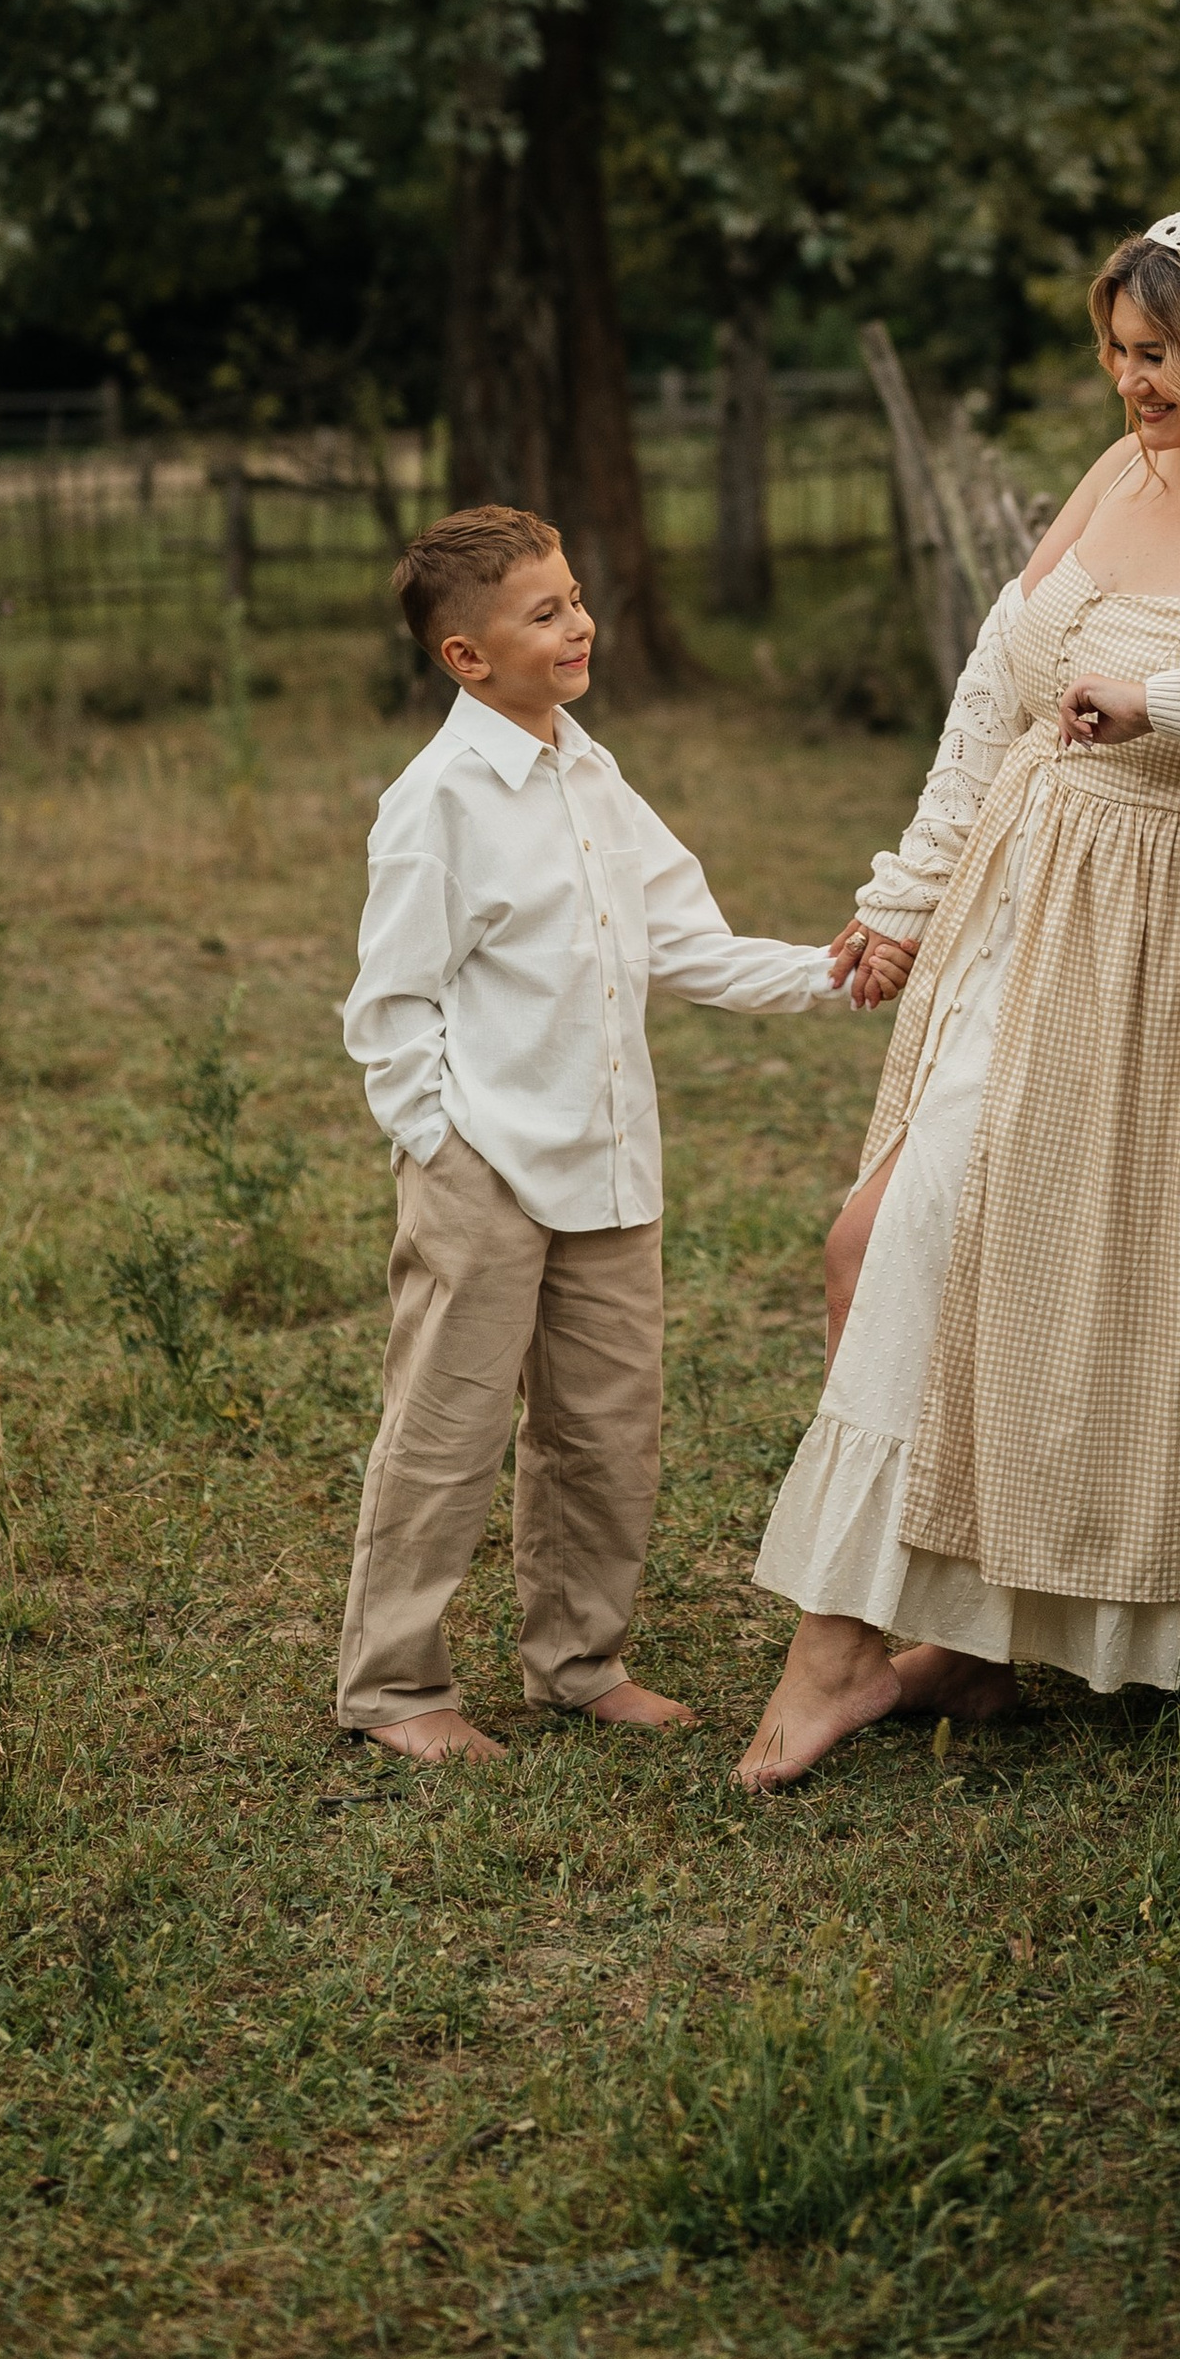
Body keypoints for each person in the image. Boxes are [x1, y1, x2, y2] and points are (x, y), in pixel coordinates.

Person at [738, 208, 1180, 1789]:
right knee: (882, 1241)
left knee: (930, 1249)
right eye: (1116, 351)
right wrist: (908, 896)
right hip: (1017, 908)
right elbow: (996, 690)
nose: (1130, 382)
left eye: (1156, 351)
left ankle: (844, 1647)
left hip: (1149, 956)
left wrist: (1174, 696)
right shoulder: (1121, 475)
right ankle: (966, 1643)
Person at [337, 503, 854, 1762]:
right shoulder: (440, 802)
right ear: (467, 656)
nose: (581, 625)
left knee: (606, 1429)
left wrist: (834, 972)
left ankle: (578, 1659)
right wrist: (443, 1147)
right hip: (487, 1168)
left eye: (574, 600)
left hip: (612, 1159)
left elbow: (681, 937)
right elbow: (389, 1005)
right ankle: (395, 1686)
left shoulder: (592, 770)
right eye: (546, 612)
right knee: (449, 1431)